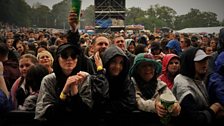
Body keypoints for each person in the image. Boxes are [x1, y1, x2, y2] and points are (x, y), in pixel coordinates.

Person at [35, 43, 93, 124]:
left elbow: (86, 113)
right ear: (57, 58)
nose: (69, 59)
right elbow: (46, 114)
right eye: (64, 56)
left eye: (73, 56)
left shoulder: (84, 78)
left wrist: (74, 92)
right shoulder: (48, 80)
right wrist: (64, 91)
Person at [172, 47, 224, 126]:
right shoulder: (183, 85)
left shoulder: (196, 78)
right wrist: (215, 107)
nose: (205, 64)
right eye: (200, 61)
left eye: (206, 60)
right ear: (189, 62)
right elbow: (195, 120)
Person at [129, 53, 181, 125]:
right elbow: (137, 101)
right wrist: (154, 106)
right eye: (144, 66)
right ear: (137, 70)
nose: (148, 68)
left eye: (150, 65)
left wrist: (175, 106)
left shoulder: (160, 85)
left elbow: (171, 98)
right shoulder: (131, 84)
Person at [91, 45, 136, 118]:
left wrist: (108, 105)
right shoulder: (97, 78)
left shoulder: (126, 80)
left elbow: (130, 103)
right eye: (113, 62)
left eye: (121, 63)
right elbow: (100, 100)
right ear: (106, 62)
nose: (117, 66)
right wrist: (100, 72)